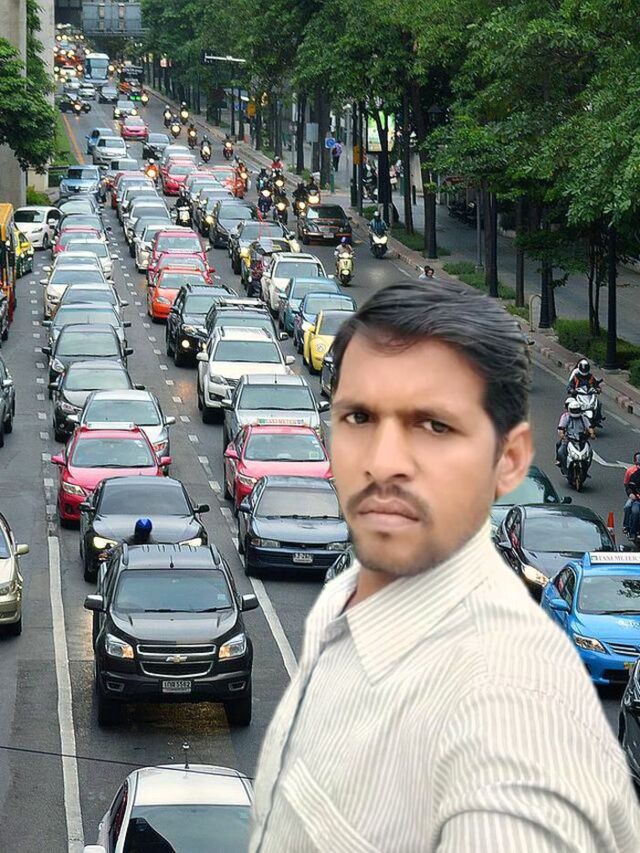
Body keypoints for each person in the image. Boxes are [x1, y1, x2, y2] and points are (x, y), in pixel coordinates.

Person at [249, 279, 640, 852]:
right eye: (359, 417)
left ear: (508, 461)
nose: (384, 462)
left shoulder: (511, 721)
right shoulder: (344, 601)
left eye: (434, 426)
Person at [556, 397, 594, 474]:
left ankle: (585, 469)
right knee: (561, 451)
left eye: (577, 410)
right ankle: (564, 467)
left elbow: (589, 427)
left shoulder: (583, 418)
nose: (576, 412)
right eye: (574, 410)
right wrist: (562, 435)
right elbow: (561, 428)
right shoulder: (566, 417)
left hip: (581, 440)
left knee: (590, 452)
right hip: (569, 439)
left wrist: (592, 434)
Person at [623, 452, 640, 538]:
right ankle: (629, 528)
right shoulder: (630, 472)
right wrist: (631, 494)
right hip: (636, 498)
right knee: (630, 509)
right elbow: (627, 485)